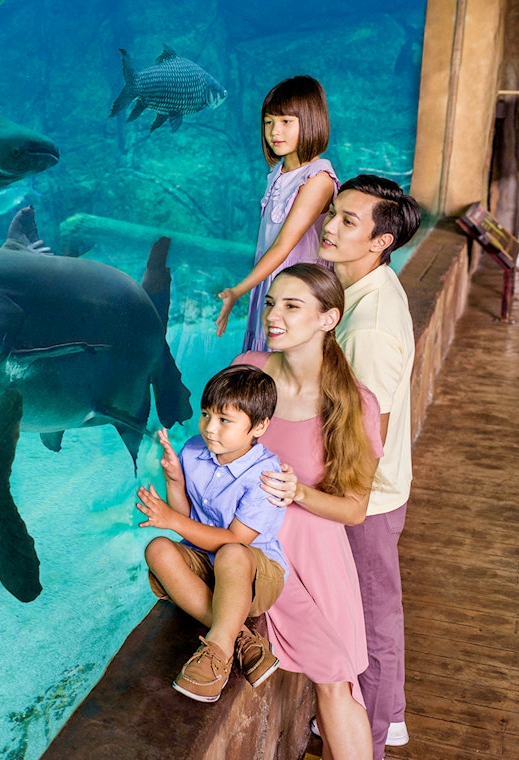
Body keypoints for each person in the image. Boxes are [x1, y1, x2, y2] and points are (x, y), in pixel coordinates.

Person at [234, 263, 384, 759]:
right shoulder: (246, 372)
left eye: (292, 306)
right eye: (273, 302)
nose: (274, 316)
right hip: (251, 546)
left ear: (328, 318)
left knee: (336, 682)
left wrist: (299, 492)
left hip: (317, 556)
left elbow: (355, 510)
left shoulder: (352, 402)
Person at [318, 174, 422, 758]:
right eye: (333, 213)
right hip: (367, 493)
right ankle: (387, 716)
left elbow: (367, 433)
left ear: (380, 241)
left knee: (373, 619)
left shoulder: (372, 326)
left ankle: (374, 739)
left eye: (348, 222)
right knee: (370, 610)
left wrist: (329, 500)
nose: (330, 227)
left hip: (368, 499)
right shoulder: (356, 290)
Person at [135, 364, 288, 703]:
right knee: (158, 549)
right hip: (207, 564)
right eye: (206, 415)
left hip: (253, 575)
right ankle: (240, 638)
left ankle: (216, 655)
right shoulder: (193, 449)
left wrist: (172, 521)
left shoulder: (265, 475)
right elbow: (188, 516)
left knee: (231, 553)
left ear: (259, 426)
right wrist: (175, 479)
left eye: (224, 420)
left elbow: (234, 541)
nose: (209, 428)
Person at [215, 76, 338, 351]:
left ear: (310, 121)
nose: (274, 132)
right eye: (269, 122)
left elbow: (283, 246)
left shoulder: (318, 178)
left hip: (298, 293)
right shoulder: (277, 172)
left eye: (286, 121)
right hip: (270, 283)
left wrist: (237, 290)